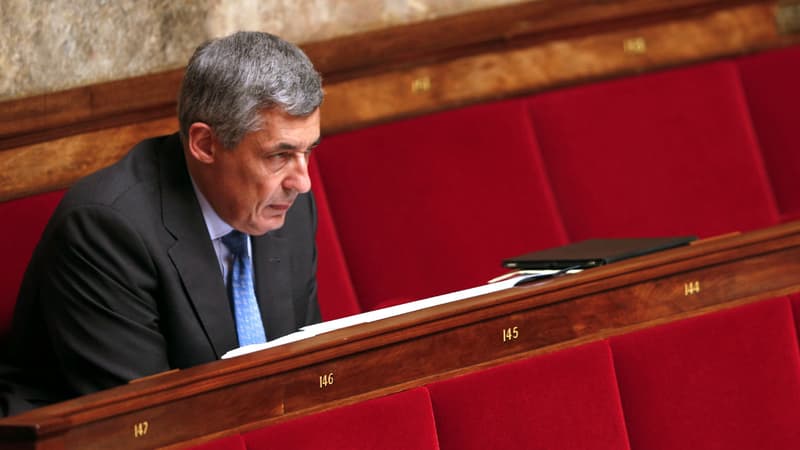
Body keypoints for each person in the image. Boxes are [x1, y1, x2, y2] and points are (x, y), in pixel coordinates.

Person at [0, 31, 323, 416]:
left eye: (308, 150)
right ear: (205, 144)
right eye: (280, 155)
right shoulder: (106, 230)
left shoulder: (288, 209)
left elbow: (305, 372)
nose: (302, 182)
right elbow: (150, 420)